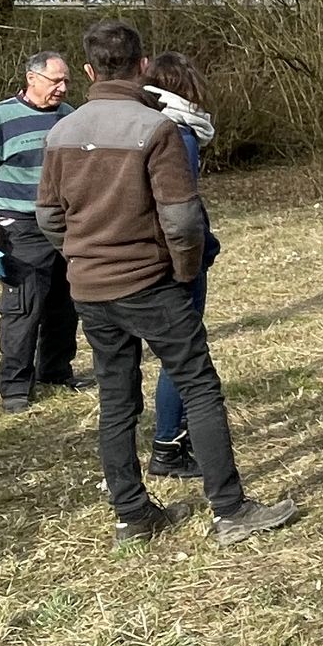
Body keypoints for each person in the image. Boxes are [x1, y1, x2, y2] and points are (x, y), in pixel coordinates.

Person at [36, 20, 296, 546]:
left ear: (87, 71)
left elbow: (47, 217)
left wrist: (80, 258)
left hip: (89, 289)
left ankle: (132, 515)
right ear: (141, 66)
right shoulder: (155, 129)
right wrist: (182, 271)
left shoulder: (61, 132)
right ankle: (230, 510)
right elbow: (181, 220)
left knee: (116, 398)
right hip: (150, 284)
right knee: (199, 388)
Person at [0, 51, 79, 412]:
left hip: (64, 224)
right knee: (23, 306)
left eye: (66, 81)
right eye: (54, 81)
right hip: (21, 225)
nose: (61, 88)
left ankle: (56, 371)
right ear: (32, 79)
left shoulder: (69, 117)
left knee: (67, 301)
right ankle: (14, 385)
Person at [139, 51, 221, 480]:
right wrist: (198, 252)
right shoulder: (179, 134)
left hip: (153, 256)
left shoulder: (149, 125)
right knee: (183, 355)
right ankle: (168, 445)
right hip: (176, 260)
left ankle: (171, 439)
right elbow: (179, 207)